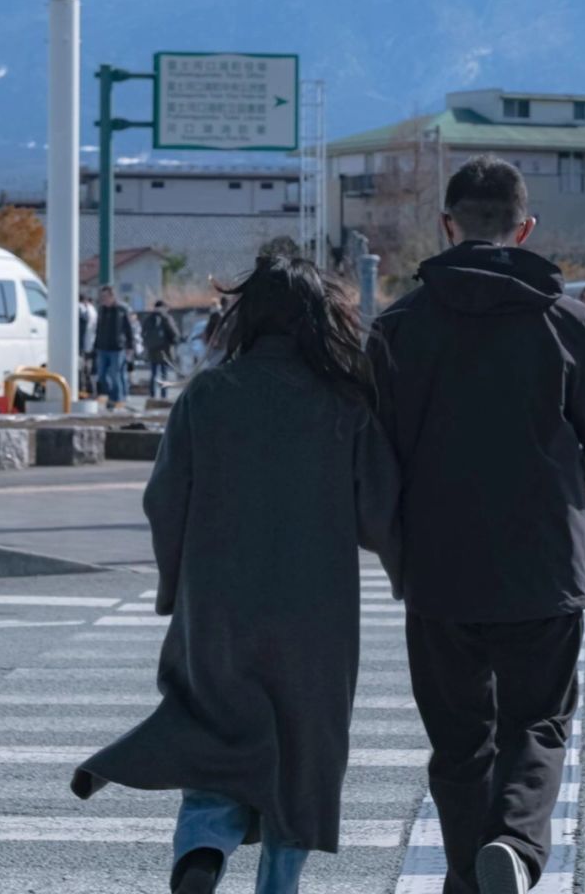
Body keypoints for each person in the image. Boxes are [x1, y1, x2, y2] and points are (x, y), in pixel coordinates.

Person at [71, 256, 402, 894]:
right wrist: (401, 574)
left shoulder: (209, 393)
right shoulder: (344, 402)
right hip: (316, 615)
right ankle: (279, 883)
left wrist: (173, 587)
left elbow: (164, 500)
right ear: (323, 321)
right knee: (304, 753)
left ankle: (204, 843)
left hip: (218, 604)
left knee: (215, 732)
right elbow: (378, 512)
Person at [368, 155, 585, 894]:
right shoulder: (565, 321)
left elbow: (373, 455)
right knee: (539, 725)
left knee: (459, 744)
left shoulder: (398, 328)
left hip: (439, 570)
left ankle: (468, 874)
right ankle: (517, 848)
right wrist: (576, 486)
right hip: (544, 565)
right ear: (524, 229)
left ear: (447, 225)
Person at [93, 284, 134, 411]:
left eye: (105, 296)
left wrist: (130, 346)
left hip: (117, 347)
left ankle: (118, 400)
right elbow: (98, 329)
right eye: (102, 297)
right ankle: (111, 398)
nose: (103, 299)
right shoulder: (101, 310)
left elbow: (128, 329)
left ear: (112, 296)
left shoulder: (121, 310)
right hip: (102, 347)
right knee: (102, 376)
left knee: (116, 375)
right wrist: (96, 344)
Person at [144, 299, 181, 399]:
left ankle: (152, 395)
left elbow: (144, 334)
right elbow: (174, 334)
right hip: (165, 350)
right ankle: (163, 396)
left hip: (152, 351)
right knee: (164, 374)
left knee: (153, 373)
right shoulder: (166, 318)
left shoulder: (148, 319)